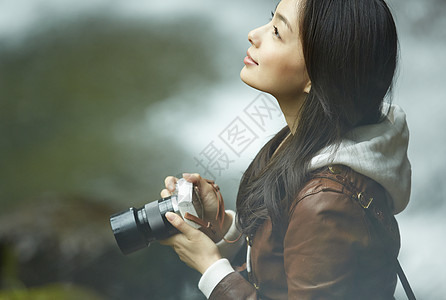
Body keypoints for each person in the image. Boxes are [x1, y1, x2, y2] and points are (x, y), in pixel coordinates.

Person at [159, 0, 411, 299]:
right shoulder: (305, 142)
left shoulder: (327, 203)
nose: (254, 34)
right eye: (270, 21)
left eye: (277, 31)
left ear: (317, 74)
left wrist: (211, 268)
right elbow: (285, 260)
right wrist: (224, 227)